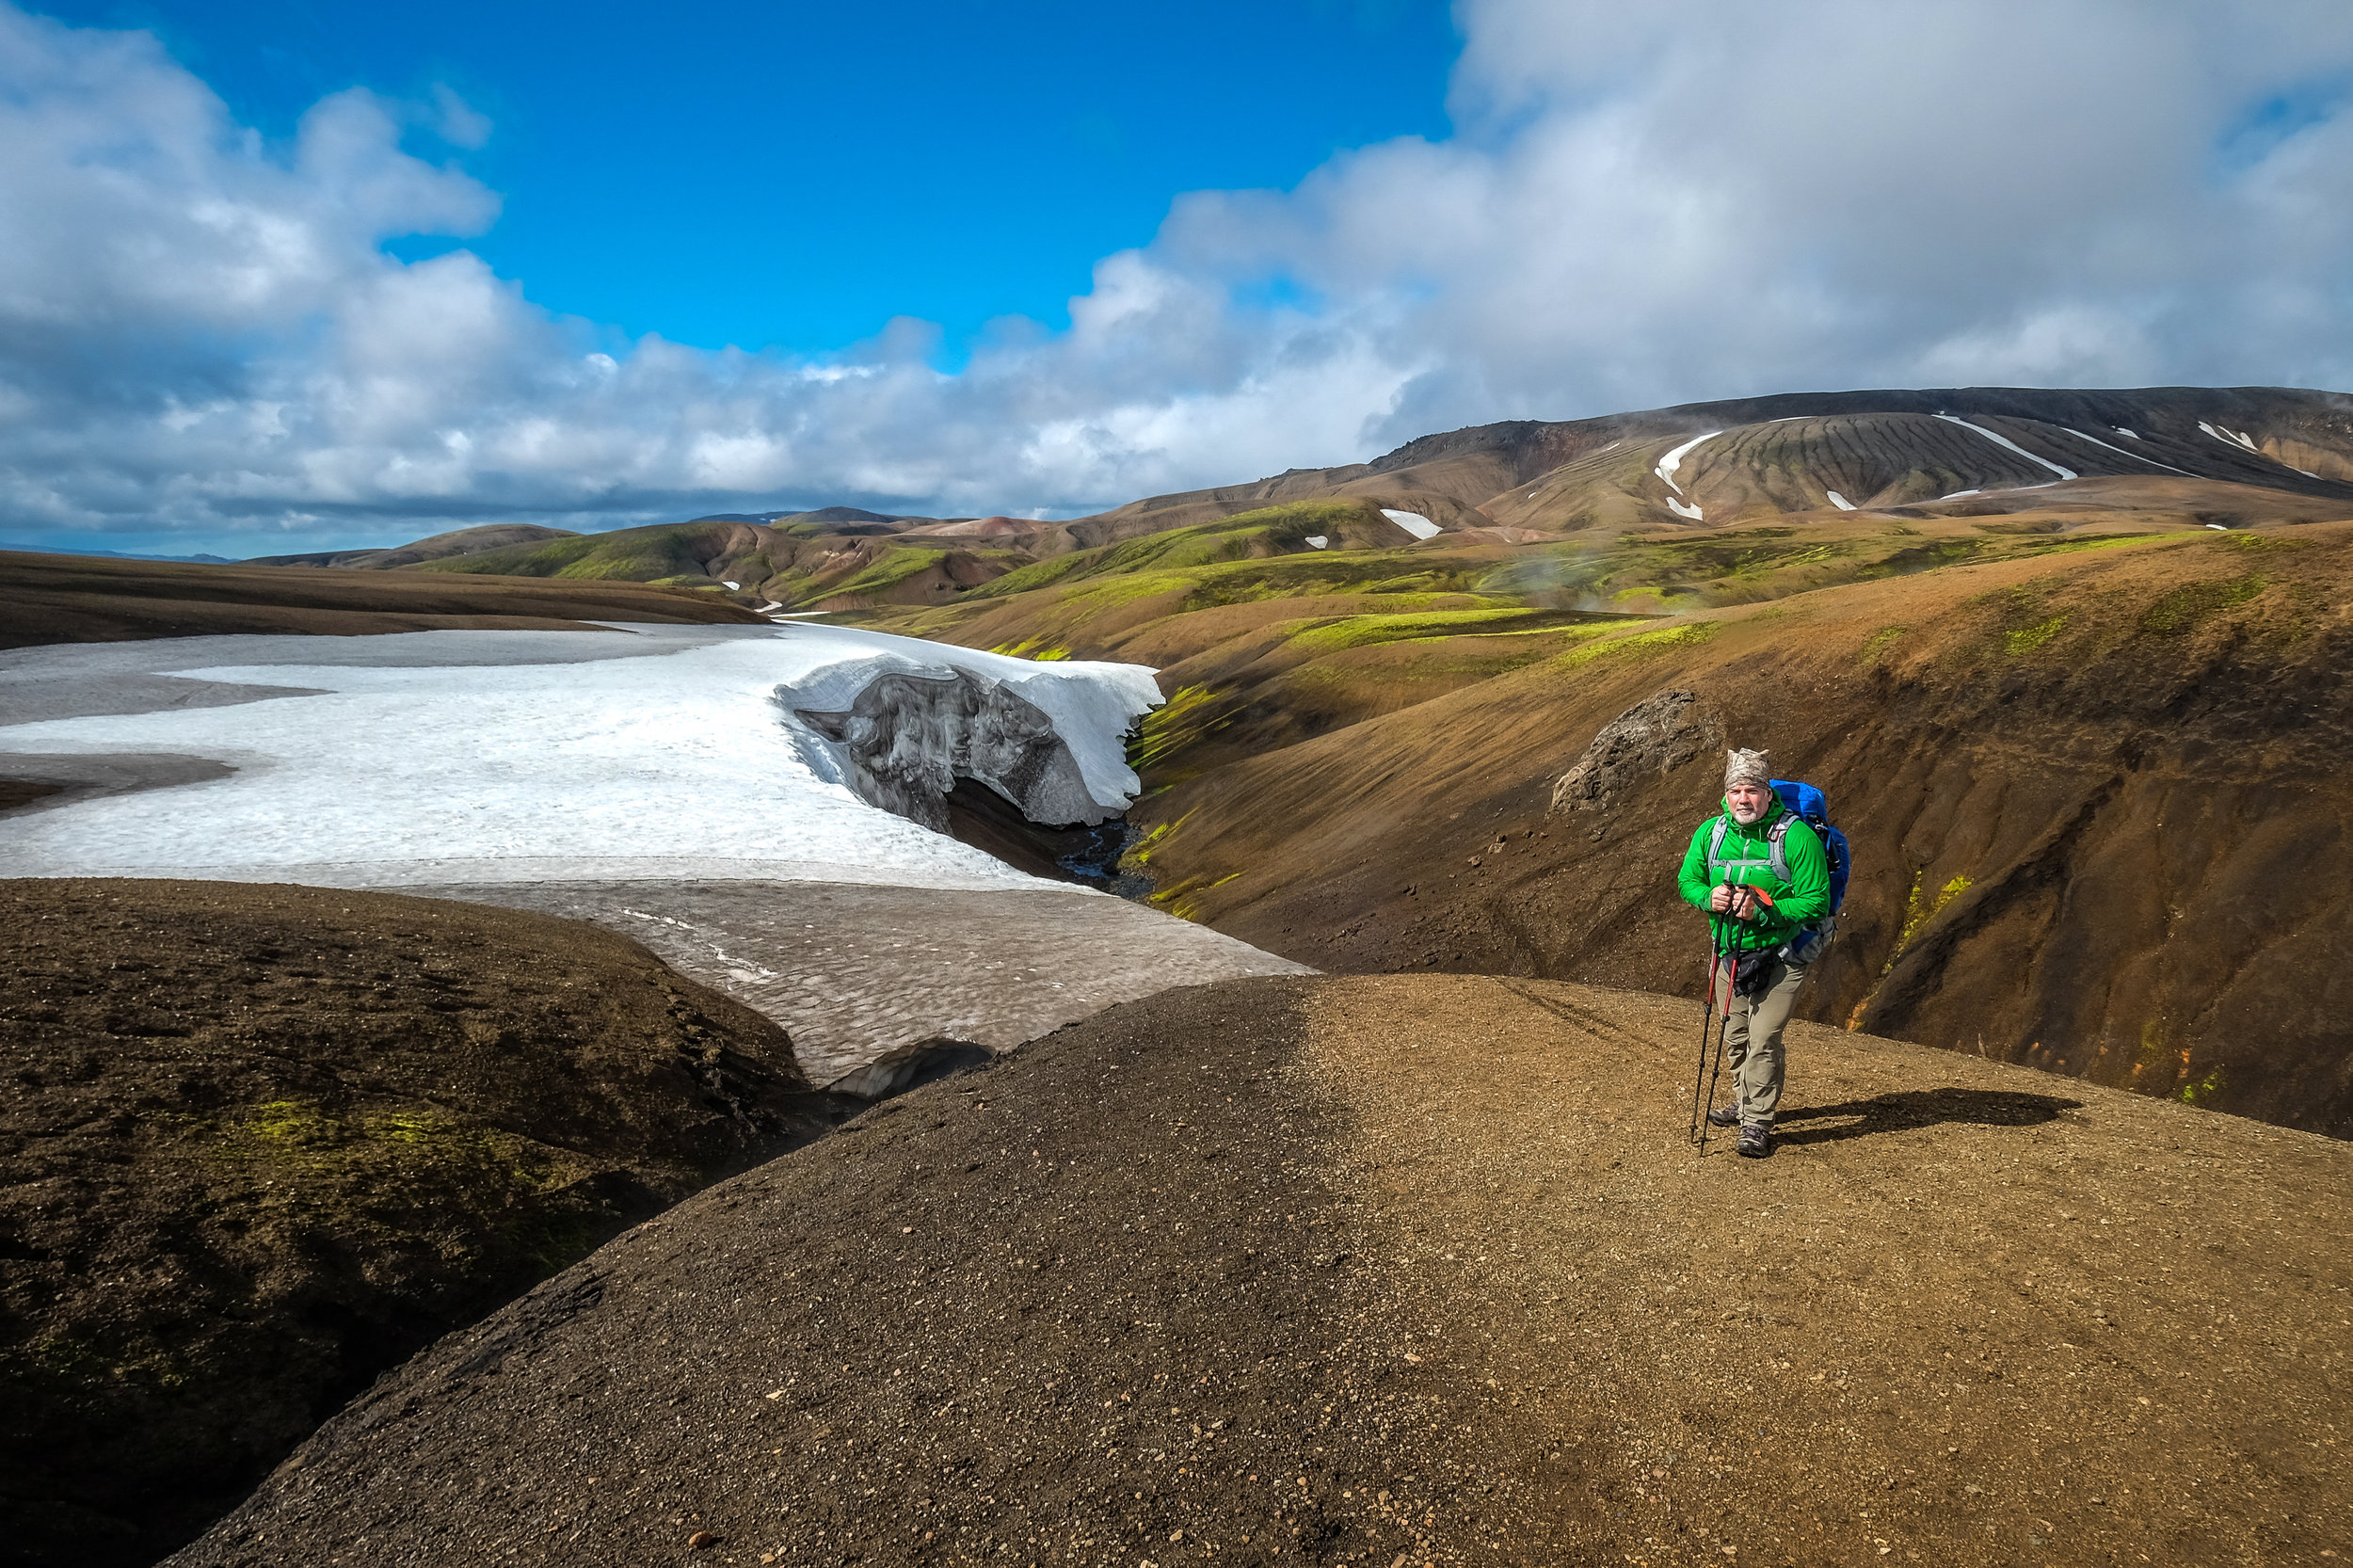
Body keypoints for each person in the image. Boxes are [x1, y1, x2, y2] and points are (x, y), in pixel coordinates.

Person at [1675, 747, 1832, 1158]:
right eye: (1736, 791)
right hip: (1729, 951)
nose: (1743, 799)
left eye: (1752, 790)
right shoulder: (1710, 833)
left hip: (1784, 953)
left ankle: (1757, 1122)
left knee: (1764, 1038)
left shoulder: (1798, 837)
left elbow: (1817, 901)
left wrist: (1766, 910)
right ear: (1725, 796)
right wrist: (1710, 896)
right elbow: (1687, 881)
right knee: (1736, 1033)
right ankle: (1744, 1102)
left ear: (1767, 794)